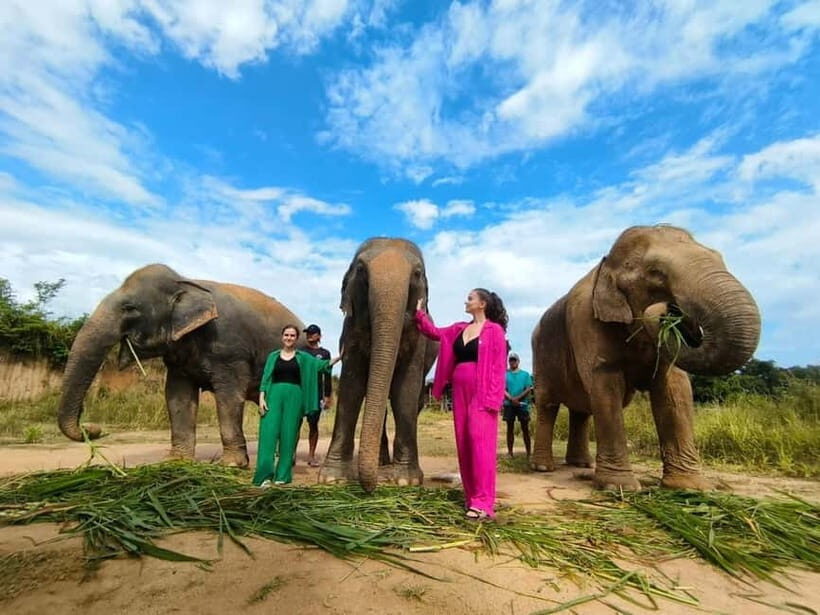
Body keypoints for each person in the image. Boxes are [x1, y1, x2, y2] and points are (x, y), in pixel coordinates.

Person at [415, 288, 508, 521]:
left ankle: (484, 502)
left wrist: (493, 399)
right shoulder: (459, 329)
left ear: (482, 304)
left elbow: (499, 367)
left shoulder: (494, 331)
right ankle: (472, 497)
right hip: (459, 392)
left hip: (482, 392)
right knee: (464, 442)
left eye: (470, 298)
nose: (466, 301)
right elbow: (435, 333)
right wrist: (419, 314)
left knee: (480, 443)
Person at [253, 325, 341, 487]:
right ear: (282, 337)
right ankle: (264, 475)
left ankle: (282, 476)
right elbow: (266, 378)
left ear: (296, 338)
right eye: (286, 335)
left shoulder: (303, 357)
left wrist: (340, 357)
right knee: (268, 434)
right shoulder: (273, 356)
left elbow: (321, 365)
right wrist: (262, 398)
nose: (289, 338)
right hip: (274, 395)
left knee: (289, 435)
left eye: (292, 335)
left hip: (295, 397)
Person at [301, 324, 332, 467]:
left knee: (313, 425)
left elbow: (328, 375)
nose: (309, 335)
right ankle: (291, 454)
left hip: (316, 393)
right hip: (301, 392)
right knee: (295, 424)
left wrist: (327, 396)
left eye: (312, 333)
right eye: (308, 333)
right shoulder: (301, 351)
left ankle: (311, 455)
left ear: (319, 336)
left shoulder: (324, 353)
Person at [503, 352, 533, 458]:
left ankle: (529, 453)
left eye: (514, 360)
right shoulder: (505, 375)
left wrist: (518, 398)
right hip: (509, 404)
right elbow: (502, 389)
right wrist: (511, 398)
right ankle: (510, 452)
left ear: (518, 361)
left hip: (522, 404)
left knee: (525, 428)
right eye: (511, 360)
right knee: (509, 428)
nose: (512, 362)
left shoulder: (525, 374)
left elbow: (528, 388)